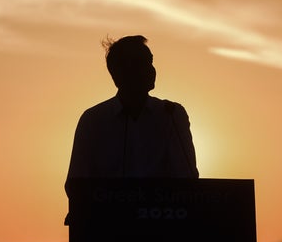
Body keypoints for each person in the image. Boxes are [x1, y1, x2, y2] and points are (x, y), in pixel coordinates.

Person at [66, 35, 198, 182]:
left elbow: (188, 180)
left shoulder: (172, 115)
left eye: (151, 62)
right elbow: (77, 185)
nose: (152, 70)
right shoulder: (93, 121)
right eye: (142, 64)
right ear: (118, 73)